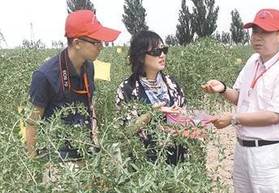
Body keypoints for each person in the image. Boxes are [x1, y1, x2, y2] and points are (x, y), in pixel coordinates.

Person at [202, 8, 279, 193]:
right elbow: (242, 98)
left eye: (264, 32)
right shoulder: (253, 62)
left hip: (269, 155)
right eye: (255, 31)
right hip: (243, 149)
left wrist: (233, 119)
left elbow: (274, 116)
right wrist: (223, 89)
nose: (257, 37)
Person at [27, 9, 121, 160]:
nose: (101, 46)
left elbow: (90, 105)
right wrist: (33, 165)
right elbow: (32, 122)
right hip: (57, 157)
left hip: (85, 151)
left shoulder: (89, 66)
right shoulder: (44, 75)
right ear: (77, 43)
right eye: (96, 42)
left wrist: (95, 140)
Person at [115, 30, 188, 165]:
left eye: (164, 50)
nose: (162, 55)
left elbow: (185, 117)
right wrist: (151, 113)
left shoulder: (172, 84)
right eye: (156, 52)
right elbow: (126, 131)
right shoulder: (128, 89)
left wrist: (181, 119)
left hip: (177, 164)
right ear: (141, 57)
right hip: (144, 168)